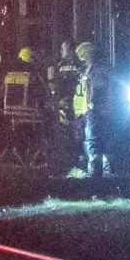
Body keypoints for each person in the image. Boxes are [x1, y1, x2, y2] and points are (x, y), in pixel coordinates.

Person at [75, 42, 114, 177]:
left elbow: (94, 90)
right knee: (105, 141)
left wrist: (89, 106)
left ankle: (96, 176)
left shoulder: (96, 70)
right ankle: (107, 173)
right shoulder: (103, 68)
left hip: (96, 110)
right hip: (102, 110)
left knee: (94, 141)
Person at [49, 41, 83, 175]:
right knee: (75, 133)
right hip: (74, 104)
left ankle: (71, 163)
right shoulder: (79, 65)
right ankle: (75, 161)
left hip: (67, 103)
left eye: (63, 48)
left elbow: (55, 86)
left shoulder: (60, 66)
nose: (61, 51)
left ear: (69, 49)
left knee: (69, 132)